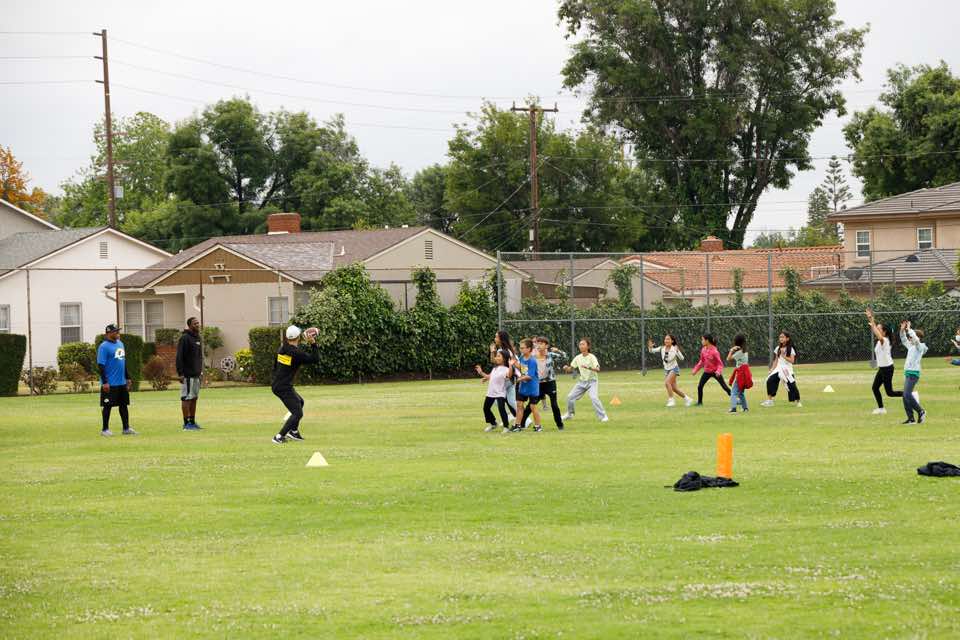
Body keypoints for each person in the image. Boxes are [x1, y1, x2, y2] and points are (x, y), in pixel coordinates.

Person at [271, 325, 320, 444]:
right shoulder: (296, 353)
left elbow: (275, 365)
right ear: (298, 337)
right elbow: (315, 359)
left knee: (300, 402)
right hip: (283, 387)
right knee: (297, 413)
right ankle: (279, 436)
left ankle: (293, 432)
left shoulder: (282, 348)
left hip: (279, 384)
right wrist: (313, 343)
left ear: (287, 337)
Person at [97, 323, 135, 436]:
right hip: (110, 383)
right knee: (107, 406)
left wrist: (127, 377)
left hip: (121, 382)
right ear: (108, 333)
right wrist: (105, 382)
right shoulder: (103, 347)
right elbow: (101, 365)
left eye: (118, 331)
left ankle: (126, 428)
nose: (118, 333)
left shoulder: (120, 344)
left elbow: (122, 362)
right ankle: (105, 429)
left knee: (123, 405)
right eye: (115, 331)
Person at [562, 338, 609, 423]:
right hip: (582, 382)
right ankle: (570, 414)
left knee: (594, 398)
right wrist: (566, 368)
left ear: (588, 346)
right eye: (580, 344)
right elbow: (570, 369)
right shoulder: (577, 358)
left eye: (583, 344)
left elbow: (598, 369)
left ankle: (603, 416)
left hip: (592, 382)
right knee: (570, 397)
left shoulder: (592, 357)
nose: (581, 346)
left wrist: (588, 367)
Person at [866, 309, 902, 415]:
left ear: (884, 332)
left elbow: (879, 336)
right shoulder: (880, 341)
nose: (877, 330)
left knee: (890, 393)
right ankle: (881, 409)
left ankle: (910, 394)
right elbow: (877, 333)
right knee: (875, 388)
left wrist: (872, 321)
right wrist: (872, 322)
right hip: (882, 368)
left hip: (887, 369)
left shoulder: (884, 340)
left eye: (879, 329)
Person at [531, 337, 566, 429]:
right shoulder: (533, 356)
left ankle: (560, 425)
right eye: (537, 343)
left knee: (554, 404)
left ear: (546, 346)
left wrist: (558, 350)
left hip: (550, 383)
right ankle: (521, 423)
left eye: (541, 343)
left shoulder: (550, 355)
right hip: (538, 383)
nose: (539, 345)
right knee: (532, 404)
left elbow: (564, 356)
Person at [175, 317, 204, 430]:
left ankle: (192, 421)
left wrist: (200, 371)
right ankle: (186, 423)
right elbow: (179, 357)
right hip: (187, 375)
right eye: (195, 323)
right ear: (189, 325)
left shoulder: (198, 338)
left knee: (194, 398)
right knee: (186, 398)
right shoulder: (185, 338)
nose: (197, 325)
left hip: (196, 374)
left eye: (198, 323)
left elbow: (199, 357)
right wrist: (180, 373)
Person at [648, 334, 692, 407]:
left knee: (667, 382)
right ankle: (688, 399)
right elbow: (651, 351)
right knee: (674, 388)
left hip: (674, 368)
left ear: (672, 341)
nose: (666, 340)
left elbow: (682, 358)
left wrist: (677, 351)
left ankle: (671, 401)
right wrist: (650, 347)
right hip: (667, 370)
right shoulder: (662, 348)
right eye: (665, 339)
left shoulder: (674, 348)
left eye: (668, 339)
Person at [475, 351, 512, 433]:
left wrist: (510, 365)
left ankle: (506, 427)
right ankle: (493, 423)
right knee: (486, 408)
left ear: (504, 359)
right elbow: (489, 377)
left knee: (501, 409)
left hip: (500, 393)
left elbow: (509, 375)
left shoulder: (506, 369)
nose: (496, 358)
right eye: (496, 356)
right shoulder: (495, 368)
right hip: (491, 392)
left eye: (499, 356)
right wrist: (481, 372)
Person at [762, 331, 801, 408]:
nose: (781, 338)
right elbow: (776, 360)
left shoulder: (791, 349)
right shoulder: (778, 348)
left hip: (786, 369)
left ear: (787, 338)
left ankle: (798, 401)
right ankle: (770, 401)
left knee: (792, 385)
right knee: (770, 381)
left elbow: (792, 361)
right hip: (778, 368)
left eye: (783, 337)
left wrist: (783, 355)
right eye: (780, 337)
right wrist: (772, 369)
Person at [900, 320, 928, 424]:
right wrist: (902, 330)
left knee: (907, 394)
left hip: (913, 374)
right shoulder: (911, 346)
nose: (909, 338)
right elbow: (903, 339)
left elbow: (915, 340)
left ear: (918, 338)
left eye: (911, 337)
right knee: (905, 396)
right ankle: (911, 418)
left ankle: (921, 411)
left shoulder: (920, 347)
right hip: (908, 373)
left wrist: (909, 329)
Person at [692, 334, 730, 406]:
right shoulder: (703, 350)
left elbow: (720, 364)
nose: (701, 341)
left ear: (707, 341)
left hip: (715, 372)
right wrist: (695, 370)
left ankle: (736, 399)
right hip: (707, 372)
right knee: (700, 386)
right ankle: (700, 403)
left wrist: (718, 371)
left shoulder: (715, 352)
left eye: (702, 340)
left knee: (724, 387)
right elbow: (702, 361)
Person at [513, 339, 543, 432]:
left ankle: (538, 426)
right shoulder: (522, 357)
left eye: (523, 348)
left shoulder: (532, 361)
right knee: (519, 405)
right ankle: (517, 425)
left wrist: (519, 379)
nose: (520, 349)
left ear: (529, 349)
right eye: (520, 348)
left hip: (532, 387)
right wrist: (514, 364)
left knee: (533, 406)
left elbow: (530, 376)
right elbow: (523, 369)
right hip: (523, 386)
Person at [490, 330, 518, 417]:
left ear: (501, 339)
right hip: (507, 379)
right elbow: (494, 361)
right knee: (511, 401)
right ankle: (524, 419)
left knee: (495, 398)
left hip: (507, 379)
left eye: (496, 337)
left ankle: (511, 416)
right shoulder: (502, 350)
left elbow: (515, 363)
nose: (495, 339)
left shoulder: (506, 351)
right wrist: (493, 352)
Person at [726, 335, 752, 413]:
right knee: (740, 393)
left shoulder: (740, 352)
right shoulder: (745, 351)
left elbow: (728, 358)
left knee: (733, 392)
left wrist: (731, 350)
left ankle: (733, 408)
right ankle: (745, 408)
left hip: (740, 374)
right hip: (745, 374)